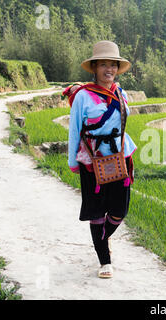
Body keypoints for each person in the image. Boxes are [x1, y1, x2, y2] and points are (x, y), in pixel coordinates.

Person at [63, 40, 137, 278]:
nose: (109, 69)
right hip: (92, 161)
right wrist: (73, 162)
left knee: (119, 211)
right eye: (103, 64)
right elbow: (75, 129)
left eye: (113, 65)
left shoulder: (121, 93)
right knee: (96, 212)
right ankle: (104, 260)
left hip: (119, 157)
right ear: (94, 68)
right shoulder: (83, 96)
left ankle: (103, 238)